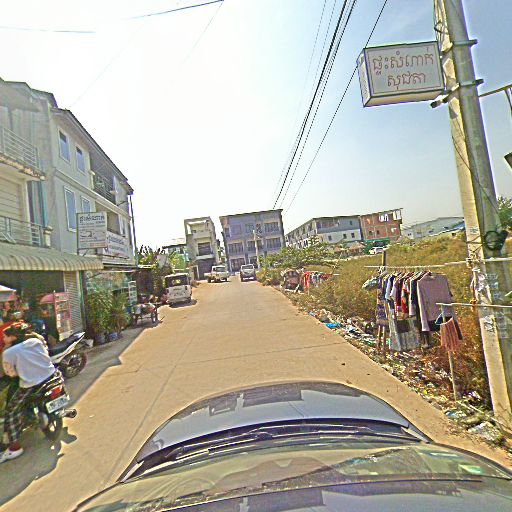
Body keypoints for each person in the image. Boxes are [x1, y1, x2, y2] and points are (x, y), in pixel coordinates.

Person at [0, 322, 57, 463]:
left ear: (12, 337)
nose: (3, 339)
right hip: (51, 376)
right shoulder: (35, 340)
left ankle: (14, 448)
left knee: (10, 412)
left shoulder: (8, 352)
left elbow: (11, 374)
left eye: (5, 336)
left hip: (31, 385)